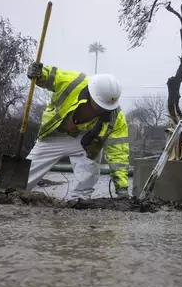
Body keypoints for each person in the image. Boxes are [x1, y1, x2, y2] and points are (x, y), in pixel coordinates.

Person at [24, 62, 130, 199]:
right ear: (91, 94)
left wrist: (122, 188)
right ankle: (12, 191)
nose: (102, 110)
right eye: (99, 106)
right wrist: (39, 74)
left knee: (89, 166)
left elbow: (119, 152)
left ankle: (80, 199)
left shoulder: (116, 117)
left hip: (84, 142)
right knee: (27, 173)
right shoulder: (74, 81)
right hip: (54, 136)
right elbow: (53, 76)